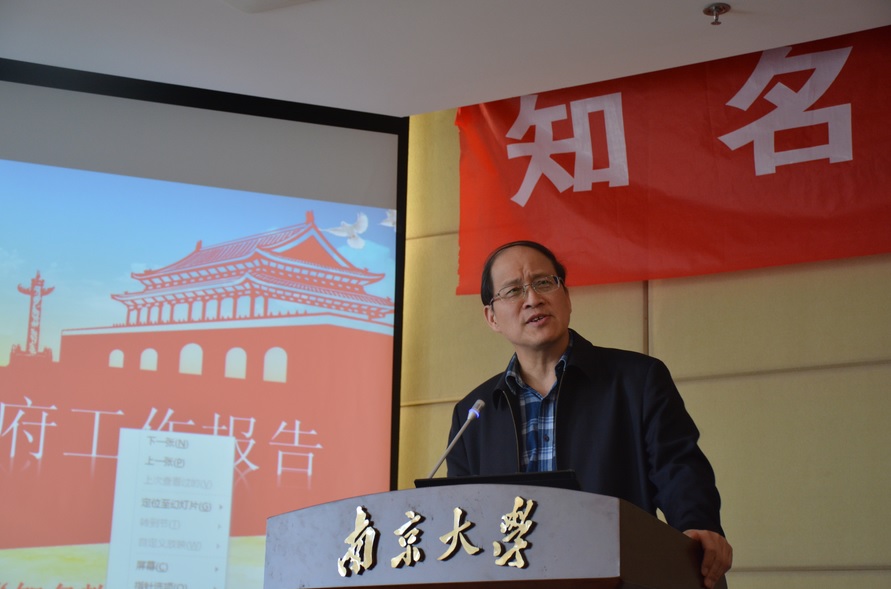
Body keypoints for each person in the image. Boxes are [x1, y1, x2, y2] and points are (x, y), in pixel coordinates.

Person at [445, 240, 732, 589]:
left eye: (544, 282)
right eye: (514, 290)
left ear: (566, 297)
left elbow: (678, 468)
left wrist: (697, 524)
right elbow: (463, 518)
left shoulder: (636, 381)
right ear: (492, 317)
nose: (533, 298)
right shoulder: (473, 415)